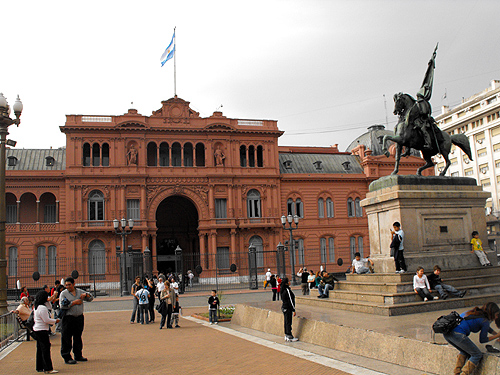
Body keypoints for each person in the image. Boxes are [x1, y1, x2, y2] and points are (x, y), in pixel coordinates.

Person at [443, 302, 500, 375]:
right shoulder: (485, 321)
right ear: (491, 313)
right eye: (497, 315)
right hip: (458, 334)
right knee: (477, 355)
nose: (497, 317)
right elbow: (483, 340)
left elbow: (485, 327)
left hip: (448, 333)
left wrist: (495, 333)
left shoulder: (474, 312)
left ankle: (456, 372)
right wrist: (497, 335)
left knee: (464, 351)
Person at [59, 277, 93, 365]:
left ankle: (78, 355)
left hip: (79, 318)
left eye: (69, 285)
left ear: (74, 284)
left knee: (78, 336)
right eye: (66, 285)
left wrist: (86, 296)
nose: (67, 286)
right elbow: (62, 306)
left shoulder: (80, 292)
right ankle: (67, 356)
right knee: (66, 337)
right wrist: (74, 303)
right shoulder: (64, 293)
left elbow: (90, 298)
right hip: (68, 318)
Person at [33, 290, 60, 374]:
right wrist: (55, 321)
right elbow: (46, 320)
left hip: (37, 329)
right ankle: (48, 368)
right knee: (46, 349)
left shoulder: (36, 307)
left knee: (40, 349)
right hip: (42, 330)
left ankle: (40, 366)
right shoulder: (42, 308)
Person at [281, 277, 298, 342]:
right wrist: (293, 309)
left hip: (284, 307)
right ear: (286, 283)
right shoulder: (287, 290)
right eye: (289, 281)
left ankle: (287, 335)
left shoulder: (283, 290)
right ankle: (289, 335)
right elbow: (290, 300)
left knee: (286, 321)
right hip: (288, 308)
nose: (290, 282)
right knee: (288, 322)